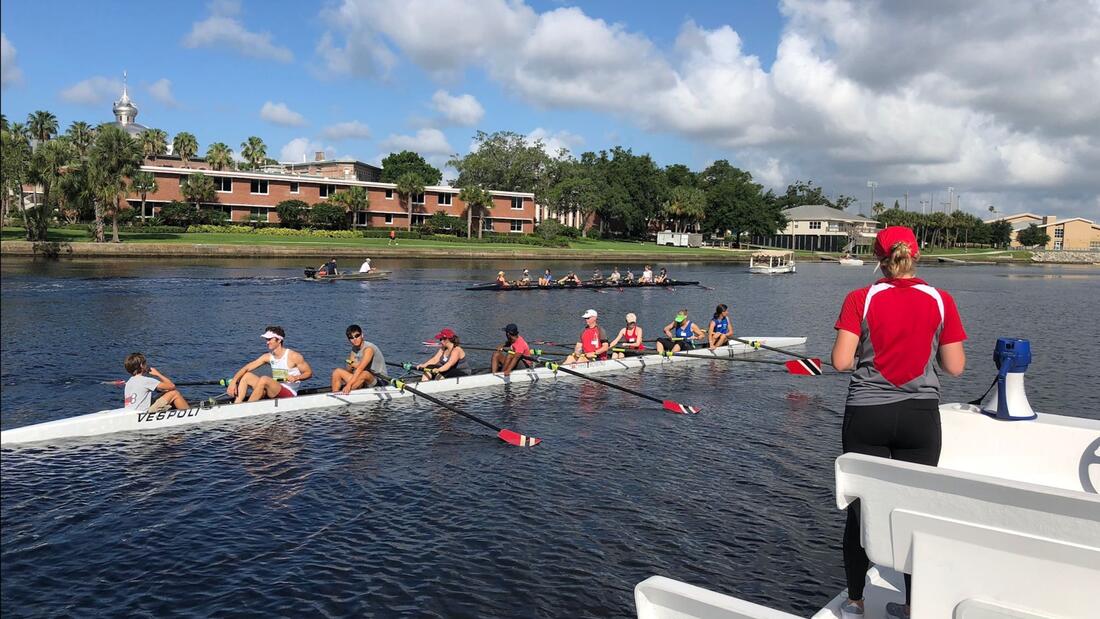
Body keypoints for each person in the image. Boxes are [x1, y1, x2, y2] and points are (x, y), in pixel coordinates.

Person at [832, 226, 966, 619]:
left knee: (860, 512)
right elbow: (955, 367)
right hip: (919, 418)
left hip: (867, 415)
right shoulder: (941, 300)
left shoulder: (860, 298)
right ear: (917, 255)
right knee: (915, 513)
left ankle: (855, 602)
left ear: (878, 258)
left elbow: (841, 362)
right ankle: (912, 605)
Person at [226, 326, 314, 403]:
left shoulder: (294, 356)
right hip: (273, 389)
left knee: (264, 379)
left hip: (289, 393)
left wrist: (296, 378)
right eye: (266, 340)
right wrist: (233, 382)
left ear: (279, 340)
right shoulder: (267, 356)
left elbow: (309, 373)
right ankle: (237, 405)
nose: (267, 342)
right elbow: (246, 368)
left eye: (269, 339)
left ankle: (247, 407)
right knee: (247, 376)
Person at [122, 353, 189, 412]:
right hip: (143, 413)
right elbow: (172, 386)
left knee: (165, 393)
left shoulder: (129, 382)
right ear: (142, 365)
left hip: (131, 411)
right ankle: (190, 414)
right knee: (174, 393)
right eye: (145, 363)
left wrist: (161, 389)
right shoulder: (146, 380)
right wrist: (157, 374)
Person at [331, 324, 386, 395]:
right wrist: (350, 364)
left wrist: (349, 384)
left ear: (362, 335)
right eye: (351, 338)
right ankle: (335, 395)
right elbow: (349, 370)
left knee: (364, 373)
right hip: (362, 380)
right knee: (337, 371)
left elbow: (360, 369)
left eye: (357, 336)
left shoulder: (369, 349)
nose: (355, 339)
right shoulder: (354, 349)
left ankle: (346, 392)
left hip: (379, 381)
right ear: (349, 340)